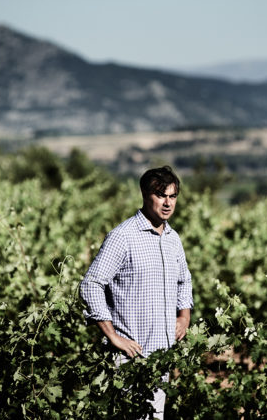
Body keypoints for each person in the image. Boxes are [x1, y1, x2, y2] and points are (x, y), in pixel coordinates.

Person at [80, 165, 193, 419]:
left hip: (160, 359)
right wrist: (113, 336)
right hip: (129, 360)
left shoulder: (173, 238)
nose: (167, 203)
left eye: (172, 196)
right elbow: (91, 285)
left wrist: (184, 317)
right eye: (161, 195)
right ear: (145, 195)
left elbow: (184, 280)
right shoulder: (123, 237)